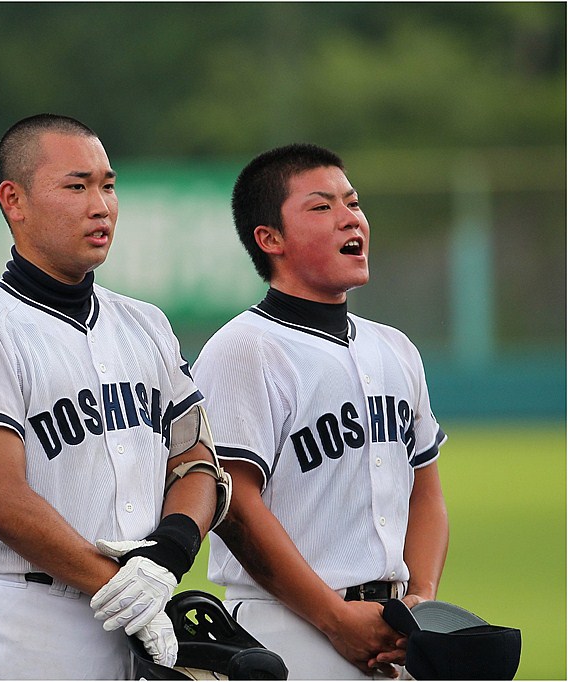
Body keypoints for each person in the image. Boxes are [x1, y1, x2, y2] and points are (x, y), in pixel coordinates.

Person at [0, 114, 229, 680]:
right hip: (37, 621)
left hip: (149, 612)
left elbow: (196, 460)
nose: (101, 205)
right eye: (76, 186)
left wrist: (169, 555)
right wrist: (119, 586)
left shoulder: (146, 324)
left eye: (108, 185)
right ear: (13, 200)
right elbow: (0, 501)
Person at [191, 143, 449, 679]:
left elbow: (425, 490)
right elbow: (234, 505)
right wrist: (335, 618)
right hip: (283, 628)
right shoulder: (244, 348)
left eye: (352, 202)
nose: (349, 217)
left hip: (390, 636)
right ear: (270, 240)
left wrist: (420, 603)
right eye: (321, 207)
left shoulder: (396, 348)